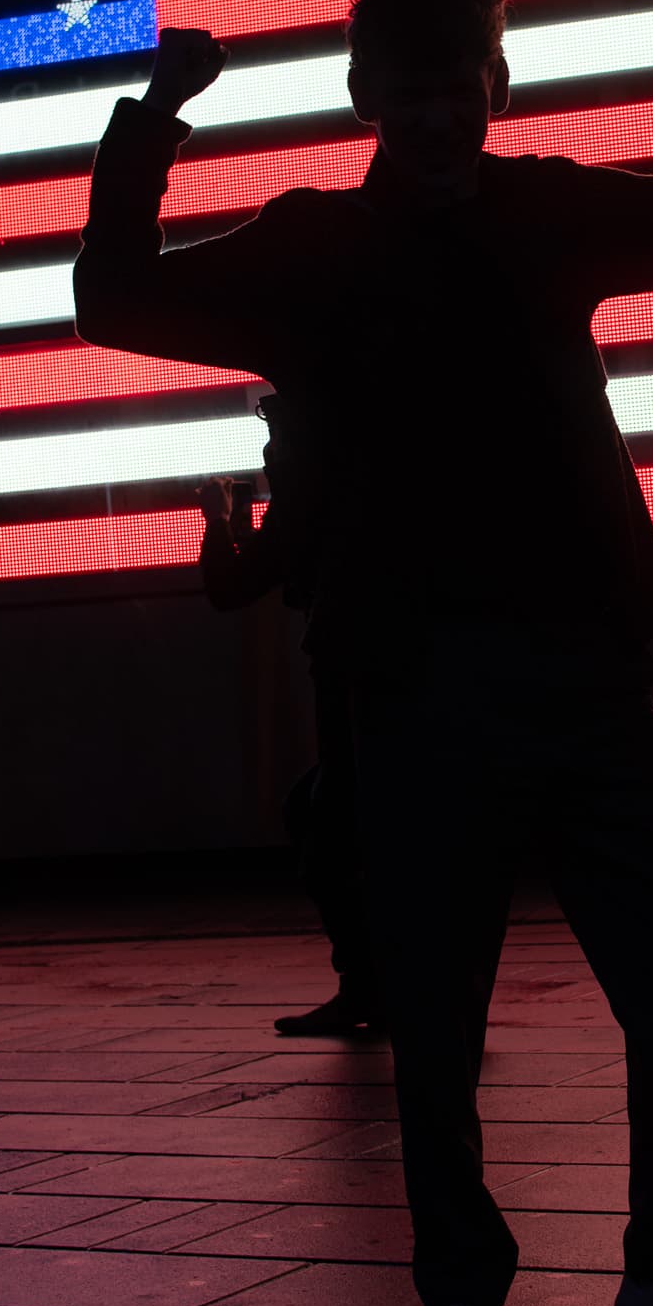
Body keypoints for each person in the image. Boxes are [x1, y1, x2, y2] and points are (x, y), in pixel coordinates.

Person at [74, 0, 653, 1306]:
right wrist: (155, 117)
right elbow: (111, 299)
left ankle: (646, 1284)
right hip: (429, 686)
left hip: (565, 676)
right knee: (442, 1014)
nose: (435, 120)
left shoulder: (519, 218)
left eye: (456, 92)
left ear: (493, 89)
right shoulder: (322, 251)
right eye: (411, 94)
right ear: (373, 98)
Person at [196, 398, 384, 1039]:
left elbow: (232, 586)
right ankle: (392, 987)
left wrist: (219, 520)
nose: (269, 448)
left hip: (350, 678)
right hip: (393, 675)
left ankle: (373, 988)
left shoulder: (308, 496)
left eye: (275, 428)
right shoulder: (361, 485)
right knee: (337, 820)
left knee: (330, 833)